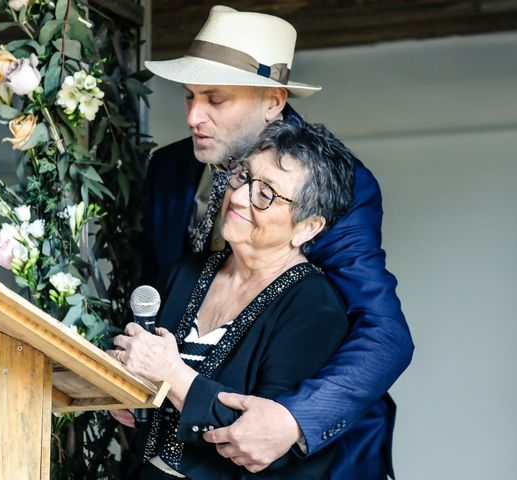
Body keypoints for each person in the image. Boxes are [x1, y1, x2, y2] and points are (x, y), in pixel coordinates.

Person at [140, 5, 414, 479]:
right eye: (188, 97)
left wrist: (293, 420)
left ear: (273, 100)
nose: (193, 116)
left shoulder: (340, 183)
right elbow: (154, 287)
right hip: (179, 443)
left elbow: (385, 333)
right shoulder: (168, 169)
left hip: (301, 459)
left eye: (215, 99)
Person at [111, 120, 355, 479]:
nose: (238, 196)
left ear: (308, 227)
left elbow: (259, 440)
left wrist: (172, 376)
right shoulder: (184, 273)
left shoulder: (314, 309)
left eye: (266, 194)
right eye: (243, 176)